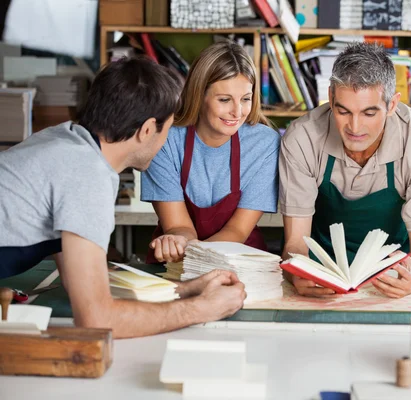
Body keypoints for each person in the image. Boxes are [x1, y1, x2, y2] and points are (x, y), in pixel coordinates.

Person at [0, 56, 246, 338]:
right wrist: (202, 309)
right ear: (146, 130)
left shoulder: (65, 140)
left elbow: (82, 282)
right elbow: (96, 319)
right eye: (167, 130)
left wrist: (187, 290)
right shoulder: (88, 175)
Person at [279, 42, 411, 299]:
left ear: (391, 105)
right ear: (330, 98)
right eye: (343, 111)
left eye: (369, 113)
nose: (354, 127)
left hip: (391, 276)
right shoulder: (303, 137)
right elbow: (295, 242)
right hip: (319, 274)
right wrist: (297, 274)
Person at [142, 40, 280, 264]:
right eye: (224, 100)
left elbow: (237, 231)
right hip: (176, 263)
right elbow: (178, 226)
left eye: (246, 99)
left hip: (238, 264)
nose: (237, 111)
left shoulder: (264, 145)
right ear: (199, 95)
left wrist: (195, 255)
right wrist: (180, 244)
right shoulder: (165, 138)